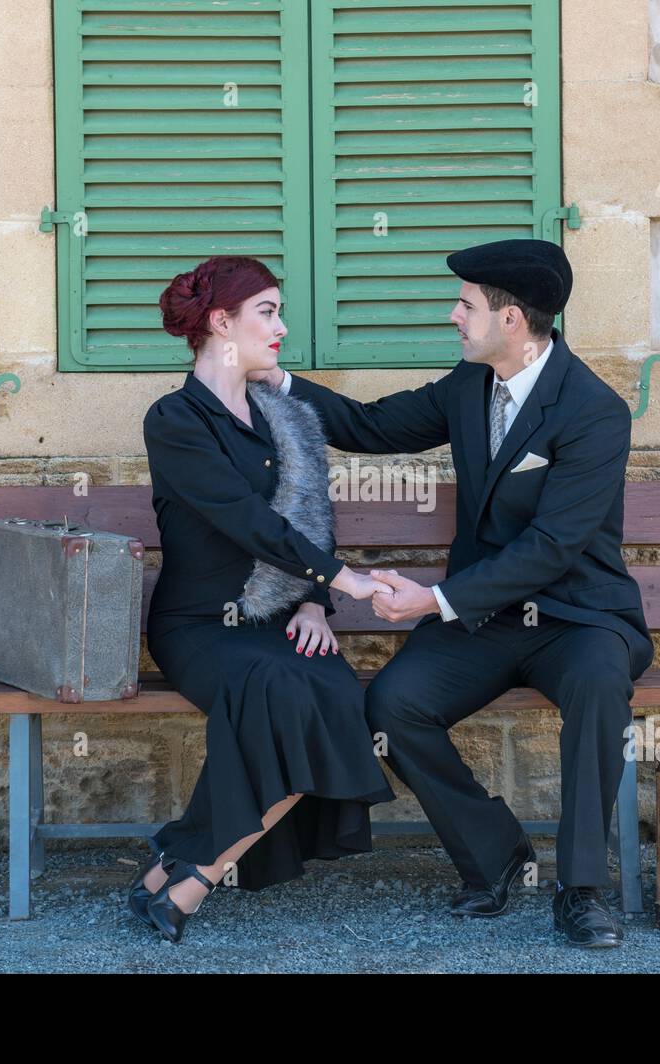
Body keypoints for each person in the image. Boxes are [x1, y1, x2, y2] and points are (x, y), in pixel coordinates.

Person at [248, 239, 655, 948]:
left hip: (580, 617)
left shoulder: (594, 411)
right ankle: (494, 854)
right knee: (393, 704)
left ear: (513, 321)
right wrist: (276, 379)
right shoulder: (469, 387)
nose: (452, 316)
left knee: (598, 689)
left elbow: (553, 547)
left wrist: (435, 602)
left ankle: (583, 889)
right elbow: (370, 425)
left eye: (466, 305)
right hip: (486, 620)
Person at [129, 255, 395, 944]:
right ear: (222, 322)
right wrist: (346, 579)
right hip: (200, 626)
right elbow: (249, 521)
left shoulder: (285, 413)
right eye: (267, 312)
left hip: (283, 619)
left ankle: (181, 860)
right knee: (280, 691)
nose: (281, 327)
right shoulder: (175, 420)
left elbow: (308, 515)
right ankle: (188, 880)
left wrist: (315, 603)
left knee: (337, 697)